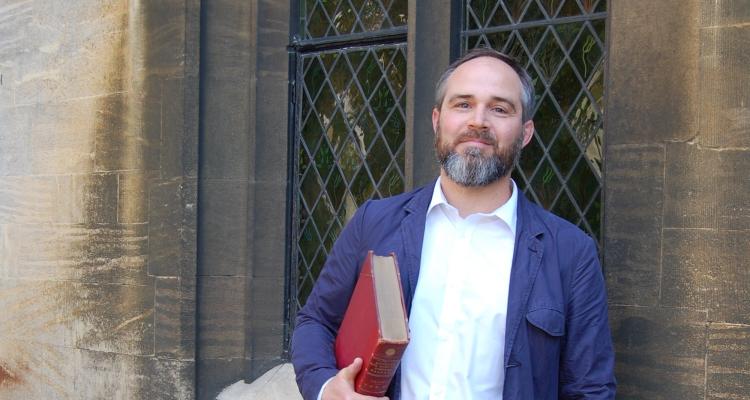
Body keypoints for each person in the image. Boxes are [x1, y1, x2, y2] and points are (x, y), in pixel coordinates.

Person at [291, 47, 616, 400]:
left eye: (499, 108)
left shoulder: (570, 253)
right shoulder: (375, 222)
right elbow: (316, 323)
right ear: (436, 120)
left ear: (525, 133)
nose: (478, 121)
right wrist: (327, 389)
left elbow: (590, 389)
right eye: (463, 104)